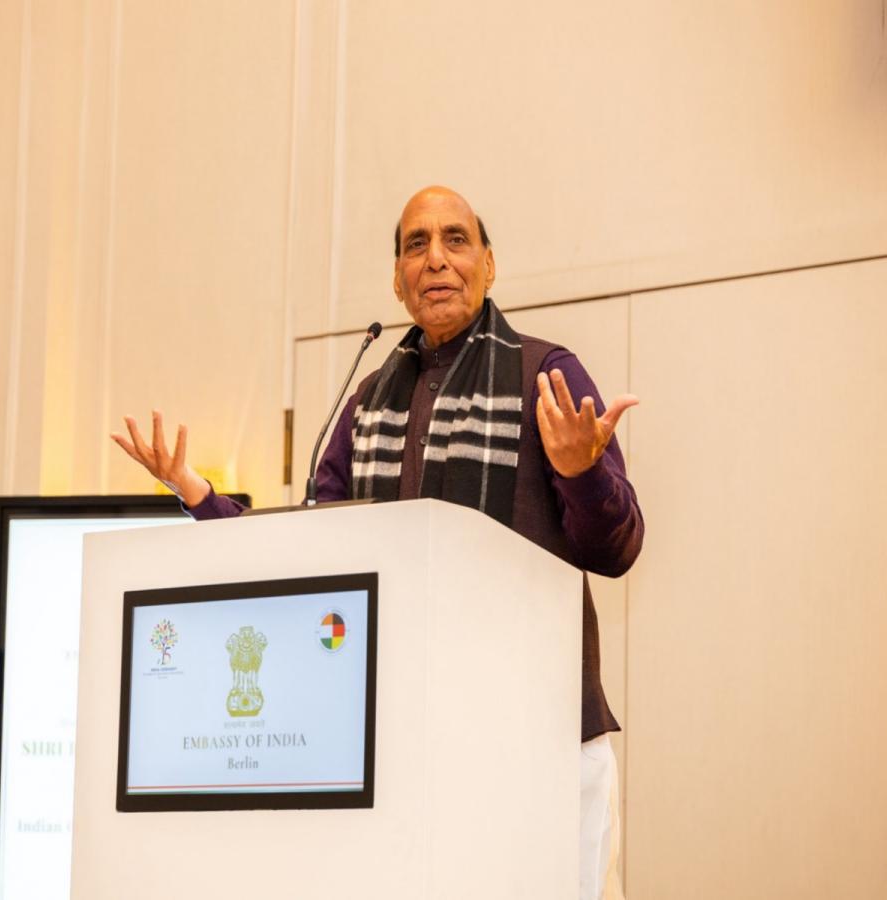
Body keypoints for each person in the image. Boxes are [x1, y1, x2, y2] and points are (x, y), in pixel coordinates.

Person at [112, 186, 642, 900]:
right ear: (397, 279)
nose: (436, 259)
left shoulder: (545, 376)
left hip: (543, 737)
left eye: (456, 240)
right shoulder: (368, 403)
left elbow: (616, 549)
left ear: (489, 265)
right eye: (416, 245)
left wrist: (581, 473)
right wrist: (199, 495)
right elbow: (308, 554)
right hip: (408, 748)